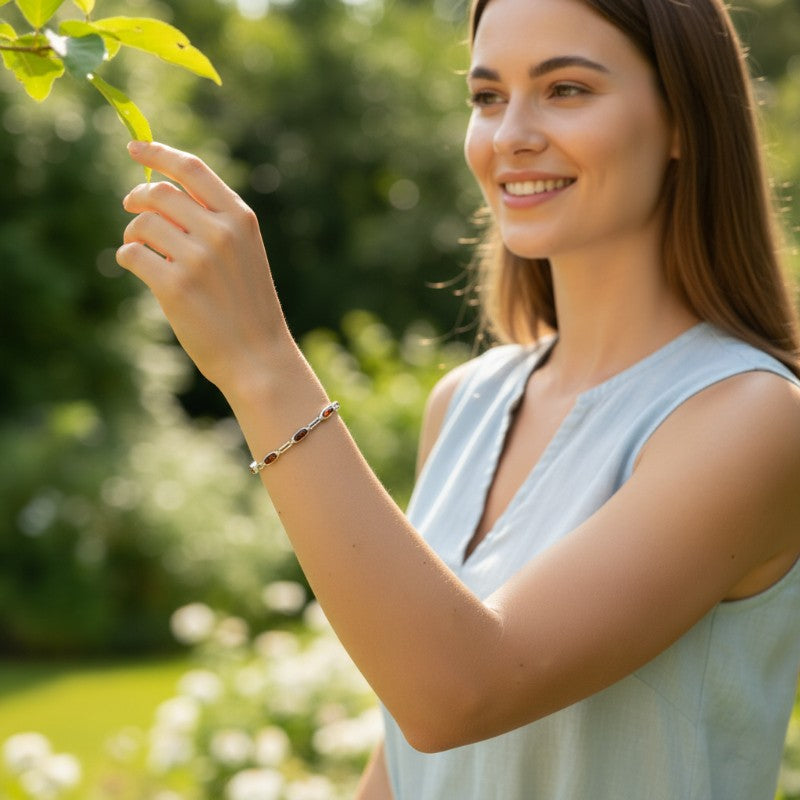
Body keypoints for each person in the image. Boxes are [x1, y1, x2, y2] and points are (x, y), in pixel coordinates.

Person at [116, 0, 800, 796]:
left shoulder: (752, 419)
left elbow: (458, 691)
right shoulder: (465, 404)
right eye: (487, 96)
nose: (510, 135)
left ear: (684, 120)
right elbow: (407, 759)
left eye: (566, 89)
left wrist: (261, 364)